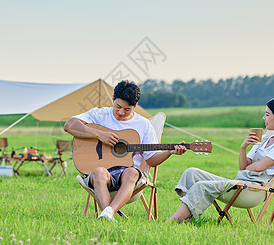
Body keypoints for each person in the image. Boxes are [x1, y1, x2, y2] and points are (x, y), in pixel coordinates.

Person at [64, 80, 187, 221]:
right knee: (99, 171)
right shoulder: (100, 114)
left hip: (128, 179)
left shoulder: (143, 125)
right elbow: (69, 125)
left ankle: (107, 215)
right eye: (118, 106)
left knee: (132, 172)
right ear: (113, 99)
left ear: (135, 106)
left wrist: (169, 152)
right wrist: (99, 134)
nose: (121, 112)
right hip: (102, 175)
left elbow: (151, 160)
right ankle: (108, 216)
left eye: (127, 109)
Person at [166, 97, 274, 223]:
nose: (264, 118)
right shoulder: (265, 138)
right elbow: (243, 167)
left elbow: (259, 167)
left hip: (252, 191)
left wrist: (251, 166)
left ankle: (170, 223)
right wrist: (243, 147)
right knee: (191, 173)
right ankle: (187, 219)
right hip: (240, 183)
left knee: (201, 185)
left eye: (267, 114)